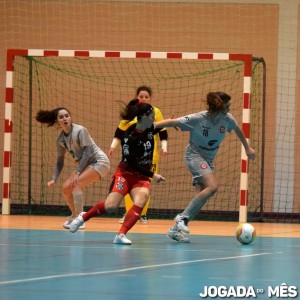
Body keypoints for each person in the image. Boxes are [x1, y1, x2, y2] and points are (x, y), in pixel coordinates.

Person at [155, 92, 256, 243]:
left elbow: (237, 130)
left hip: (209, 159)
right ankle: (182, 218)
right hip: (194, 156)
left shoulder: (227, 119)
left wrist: (247, 148)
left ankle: (175, 230)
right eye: (227, 106)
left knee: (201, 196)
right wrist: (151, 127)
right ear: (219, 106)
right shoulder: (199, 118)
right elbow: (174, 122)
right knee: (213, 186)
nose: (229, 109)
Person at [69, 99, 166, 244]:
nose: (154, 119)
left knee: (142, 199)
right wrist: (153, 175)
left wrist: (179, 122)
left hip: (141, 178)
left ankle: (121, 234)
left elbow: (165, 125)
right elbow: (132, 164)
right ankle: (83, 216)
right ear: (145, 118)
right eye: (152, 116)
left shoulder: (150, 128)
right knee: (111, 206)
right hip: (126, 174)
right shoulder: (129, 136)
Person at [36, 107, 110, 229]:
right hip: (87, 165)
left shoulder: (80, 130)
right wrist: (54, 178)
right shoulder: (60, 139)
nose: (64, 118)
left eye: (66, 115)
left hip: (100, 162)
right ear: (57, 121)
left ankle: (80, 219)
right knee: (65, 188)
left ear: (70, 117)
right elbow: (60, 160)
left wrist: (78, 171)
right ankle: (74, 215)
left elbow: (87, 152)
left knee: (76, 183)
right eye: (61, 117)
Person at [109, 86, 168, 224]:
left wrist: (164, 147)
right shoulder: (132, 113)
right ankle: (129, 212)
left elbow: (162, 130)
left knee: (144, 184)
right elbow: (119, 132)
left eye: (146, 97)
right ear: (136, 98)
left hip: (150, 156)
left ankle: (143, 214)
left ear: (150, 98)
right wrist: (113, 146)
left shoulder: (155, 111)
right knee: (130, 183)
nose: (143, 99)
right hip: (133, 156)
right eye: (141, 96)